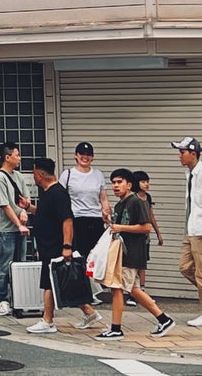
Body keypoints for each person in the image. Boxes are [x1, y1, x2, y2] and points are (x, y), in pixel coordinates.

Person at [96, 168, 175, 340]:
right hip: (123, 253)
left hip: (131, 253)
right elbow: (117, 228)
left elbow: (145, 227)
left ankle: (116, 329)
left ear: (129, 184)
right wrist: (107, 220)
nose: (115, 186)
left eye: (119, 182)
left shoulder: (136, 201)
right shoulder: (119, 205)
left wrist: (121, 227)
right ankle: (164, 319)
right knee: (133, 289)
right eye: (113, 183)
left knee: (116, 288)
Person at [24, 158, 101, 334]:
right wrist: (29, 207)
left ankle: (48, 321)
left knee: (49, 283)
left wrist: (67, 246)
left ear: (40, 175)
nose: (33, 177)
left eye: (34, 173)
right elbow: (46, 214)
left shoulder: (58, 193)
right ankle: (89, 312)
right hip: (47, 245)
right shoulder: (47, 193)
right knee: (62, 281)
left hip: (56, 246)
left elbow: (67, 220)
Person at [59, 141, 111, 302]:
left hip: (95, 220)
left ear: (93, 157)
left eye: (88, 155)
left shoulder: (98, 175)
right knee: (78, 256)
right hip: (76, 219)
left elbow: (103, 197)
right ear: (76, 155)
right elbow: (61, 197)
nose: (85, 157)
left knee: (95, 257)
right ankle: (82, 291)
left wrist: (107, 212)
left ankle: (93, 290)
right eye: (82, 154)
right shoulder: (67, 174)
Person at [0, 141, 30, 316]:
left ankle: (18, 299)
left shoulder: (19, 177)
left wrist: (24, 210)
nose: (19, 158)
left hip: (18, 229)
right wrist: (19, 224)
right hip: (6, 230)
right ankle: (2, 300)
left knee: (19, 265)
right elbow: (5, 205)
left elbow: (25, 200)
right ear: (7, 157)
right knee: (4, 266)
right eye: (17, 155)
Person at [172, 136, 202, 327]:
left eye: (182, 153)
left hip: (200, 230)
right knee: (185, 267)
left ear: (193, 153)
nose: (179, 156)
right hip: (190, 229)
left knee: (201, 274)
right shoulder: (190, 173)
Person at [132, 170, 163, 294]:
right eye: (143, 182)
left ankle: (142, 289)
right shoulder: (132, 197)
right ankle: (133, 292)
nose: (146, 184)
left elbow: (151, 216)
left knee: (142, 263)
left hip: (145, 236)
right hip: (134, 235)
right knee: (134, 264)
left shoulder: (148, 197)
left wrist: (158, 233)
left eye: (147, 182)